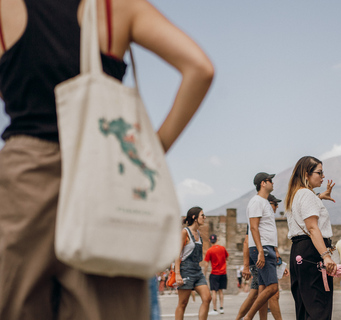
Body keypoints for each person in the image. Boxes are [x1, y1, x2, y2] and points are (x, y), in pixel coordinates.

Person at [0, 0, 214, 319]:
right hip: (104, 177)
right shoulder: (114, 7)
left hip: (23, 177)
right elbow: (200, 68)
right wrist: (152, 151)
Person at [285, 156, 337, 320]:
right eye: (319, 173)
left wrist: (320, 196)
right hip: (312, 252)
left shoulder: (296, 194)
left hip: (299, 252)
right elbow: (312, 227)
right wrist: (326, 256)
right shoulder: (306, 195)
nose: (323, 177)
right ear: (306, 174)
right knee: (318, 307)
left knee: (305, 306)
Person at [243, 172, 280, 320]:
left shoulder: (265, 202)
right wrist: (260, 251)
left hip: (267, 247)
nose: (272, 182)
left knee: (263, 288)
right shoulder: (256, 201)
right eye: (269, 180)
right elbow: (253, 227)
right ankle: (247, 317)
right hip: (262, 248)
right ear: (262, 183)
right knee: (273, 287)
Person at [175, 207, 212, 320]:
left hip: (197, 270)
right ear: (194, 217)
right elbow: (177, 253)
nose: (204, 217)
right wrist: (177, 274)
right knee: (183, 303)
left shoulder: (198, 233)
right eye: (202, 215)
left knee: (207, 298)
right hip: (186, 269)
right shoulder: (184, 232)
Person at [204, 234, 229, 315]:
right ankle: (221, 308)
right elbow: (227, 258)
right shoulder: (222, 248)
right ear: (217, 239)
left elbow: (206, 264)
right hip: (223, 272)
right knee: (221, 291)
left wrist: (204, 273)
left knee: (214, 291)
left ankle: (215, 309)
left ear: (209, 240)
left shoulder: (209, 251)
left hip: (214, 273)